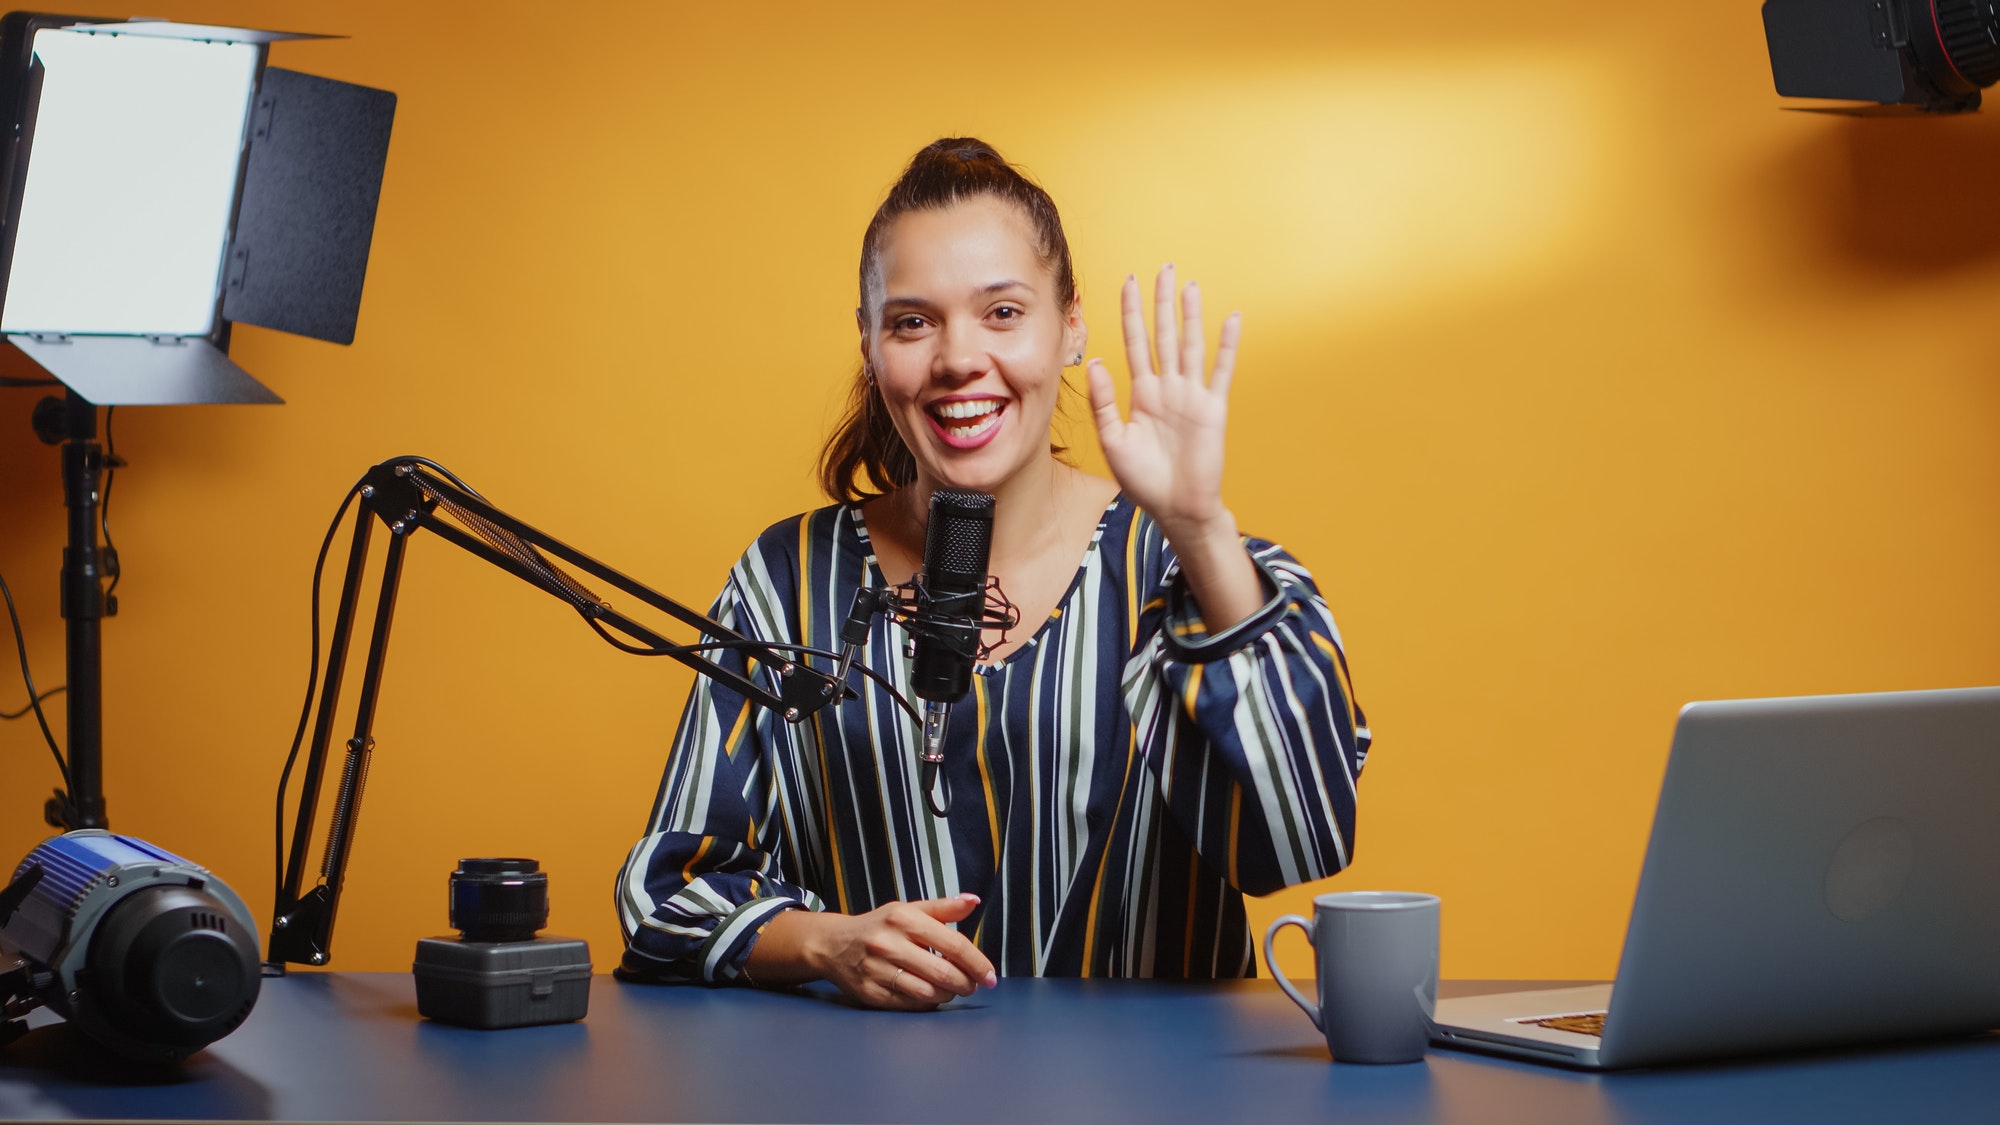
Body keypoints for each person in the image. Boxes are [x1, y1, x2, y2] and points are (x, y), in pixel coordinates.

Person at [616, 137, 1369, 1010]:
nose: (957, 359)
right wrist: (828, 942)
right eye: (912, 320)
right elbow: (666, 893)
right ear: (870, 343)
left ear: (1071, 325)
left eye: (1002, 312)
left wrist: (1201, 530)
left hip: (1157, 1097)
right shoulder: (787, 578)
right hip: (873, 1091)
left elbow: (1298, 841)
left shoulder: (1181, 564)